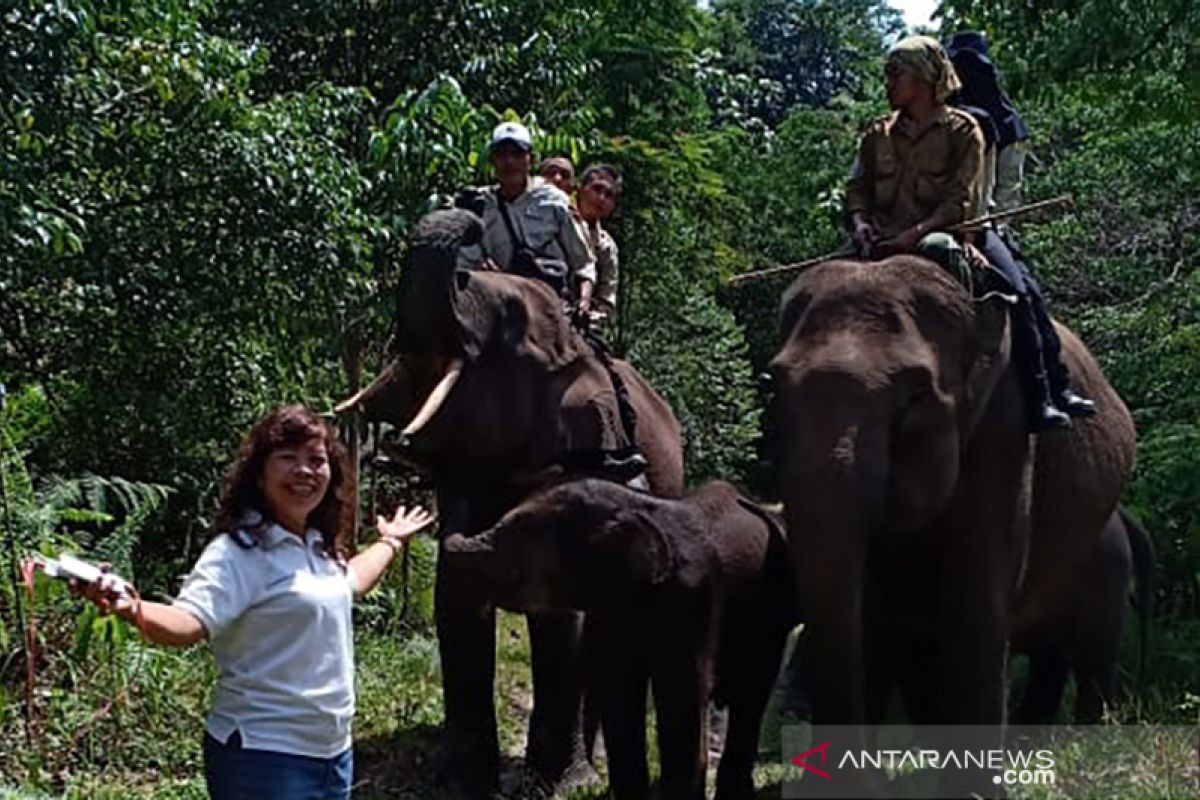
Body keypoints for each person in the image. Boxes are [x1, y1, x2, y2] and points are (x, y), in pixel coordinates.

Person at [75, 405, 436, 800]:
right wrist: (131, 607)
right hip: (263, 754)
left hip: (333, 752)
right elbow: (187, 622)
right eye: (287, 458)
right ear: (260, 475)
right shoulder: (239, 551)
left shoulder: (315, 547)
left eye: (316, 460)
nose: (304, 471)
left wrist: (390, 541)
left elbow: (351, 582)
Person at [846, 35, 1093, 430]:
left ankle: (1044, 390)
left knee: (1020, 291)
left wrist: (931, 235)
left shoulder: (969, 130)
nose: (887, 84)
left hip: (965, 228)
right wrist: (861, 223)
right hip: (883, 234)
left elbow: (966, 199)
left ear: (926, 77)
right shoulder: (877, 134)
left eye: (896, 74)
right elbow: (857, 188)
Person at [456, 122, 597, 321]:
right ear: (492, 160)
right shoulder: (478, 206)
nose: (509, 162)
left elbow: (583, 262)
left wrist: (584, 301)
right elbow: (464, 265)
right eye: (502, 154)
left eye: (517, 154)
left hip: (551, 307)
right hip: (497, 305)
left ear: (530, 159)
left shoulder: (554, 201)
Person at [945, 30, 1030, 219]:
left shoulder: (1003, 118)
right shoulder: (951, 102)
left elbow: (1007, 191)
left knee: (1004, 200)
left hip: (1008, 138)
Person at [574, 163, 624, 330]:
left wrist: (593, 317)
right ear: (580, 190)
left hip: (577, 322)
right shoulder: (552, 220)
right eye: (596, 189)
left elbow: (607, 296)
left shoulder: (606, 247)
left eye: (609, 195)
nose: (601, 198)